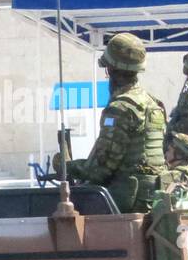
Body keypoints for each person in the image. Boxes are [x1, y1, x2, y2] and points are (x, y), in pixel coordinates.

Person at [62, 33, 168, 214]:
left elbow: (101, 169)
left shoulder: (120, 108)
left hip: (127, 201)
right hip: (156, 198)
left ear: (110, 70)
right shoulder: (153, 103)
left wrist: (66, 166)